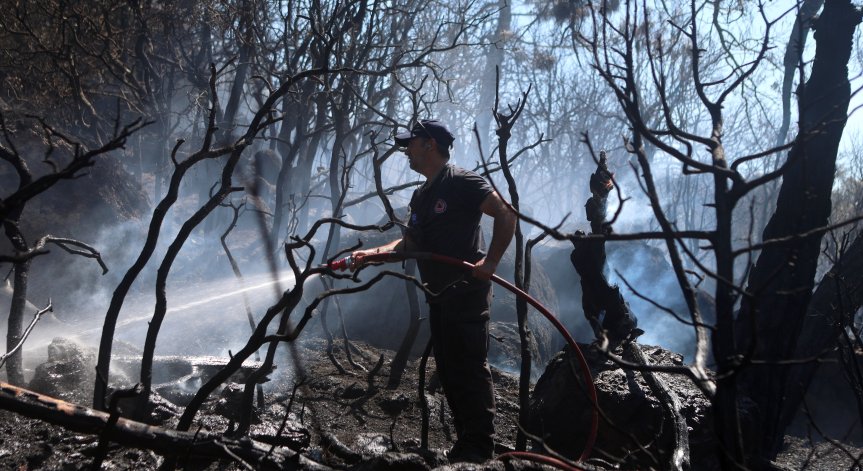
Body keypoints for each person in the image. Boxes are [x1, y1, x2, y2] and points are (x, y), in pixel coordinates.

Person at [350, 120, 516, 463]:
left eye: (410, 143)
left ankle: (480, 447)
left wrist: (490, 263)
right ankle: (465, 445)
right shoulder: (423, 194)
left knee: (468, 366)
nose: (405, 150)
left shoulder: (461, 182)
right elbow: (410, 243)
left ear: (429, 144)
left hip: (467, 292)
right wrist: (373, 255)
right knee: (450, 368)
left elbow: (505, 213)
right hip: (439, 294)